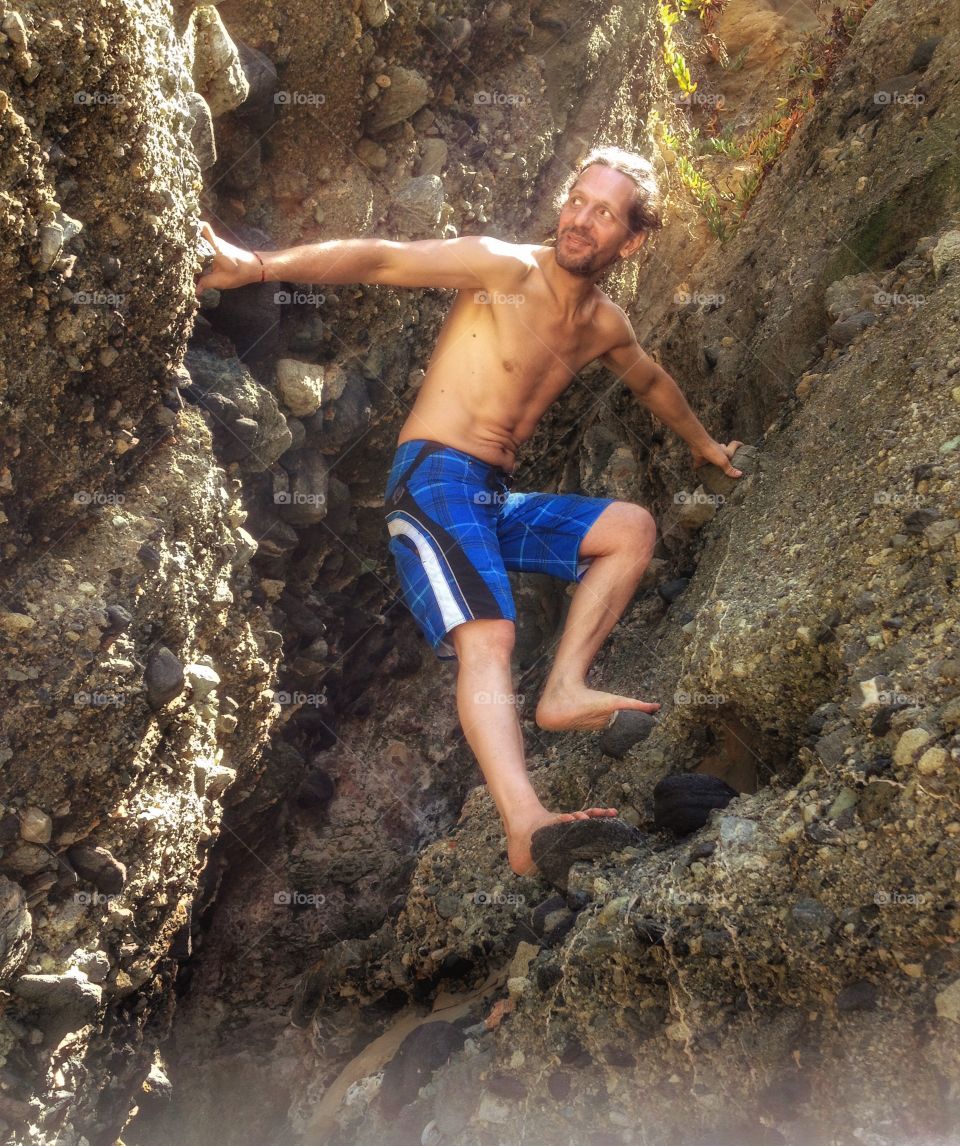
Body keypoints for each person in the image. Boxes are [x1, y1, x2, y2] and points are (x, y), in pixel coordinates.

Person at [195, 145, 743, 883]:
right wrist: (257, 267)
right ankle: (526, 822)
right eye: (578, 200)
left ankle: (565, 688)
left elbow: (652, 381)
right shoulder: (504, 268)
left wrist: (708, 447)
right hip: (432, 475)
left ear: (633, 240)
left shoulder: (605, 325)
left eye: (604, 212)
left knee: (630, 530)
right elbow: (384, 259)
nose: (581, 220)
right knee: (492, 633)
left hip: (489, 493)